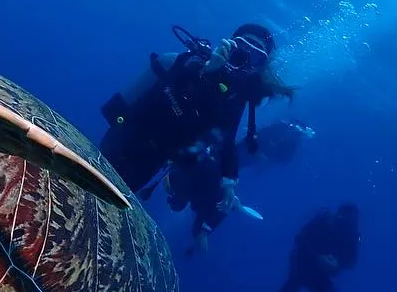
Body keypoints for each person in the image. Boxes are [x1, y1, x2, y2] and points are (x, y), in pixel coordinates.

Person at [99, 23, 294, 245]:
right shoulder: (185, 64)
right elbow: (129, 106)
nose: (245, 56)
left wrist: (229, 182)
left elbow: (227, 141)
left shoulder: (233, 100)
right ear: (229, 44)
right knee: (92, 175)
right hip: (128, 135)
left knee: (108, 200)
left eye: (256, 56)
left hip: (156, 158)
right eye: (242, 46)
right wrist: (206, 71)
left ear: (258, 67)